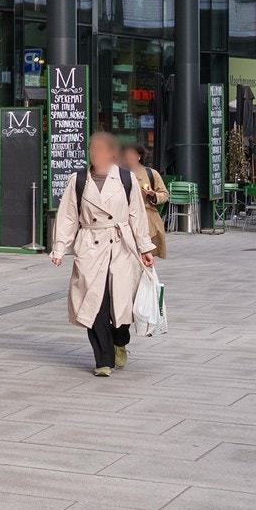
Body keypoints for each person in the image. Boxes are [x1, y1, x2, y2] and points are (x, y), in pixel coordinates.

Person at [52, 131, 155, 376]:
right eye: (92, 149)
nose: (95, 154)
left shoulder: (126, 179)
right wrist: (59, 247)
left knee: (121, 305)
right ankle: (103, 360)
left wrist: (145, 248)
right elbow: (67, 216)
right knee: (94, 303)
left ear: (112, 153)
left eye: (101, 149)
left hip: (121, 246)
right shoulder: (78, 180)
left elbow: (137, 216)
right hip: (90, 246)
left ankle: (120, 340)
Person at [121, 144, 169, 258]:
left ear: (139, 157)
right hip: (124, 219)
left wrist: (153, 195)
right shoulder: (117, 174)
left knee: (145, 256)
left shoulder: (151, 173)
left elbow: (165, 194)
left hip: (147, 220)